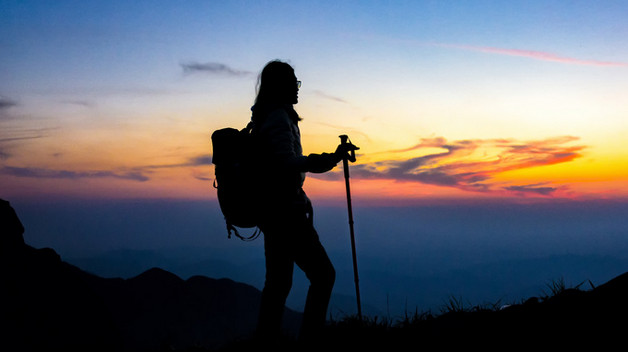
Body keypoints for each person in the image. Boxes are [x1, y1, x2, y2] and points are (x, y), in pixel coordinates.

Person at [250, 60, 357, 342]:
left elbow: (279, 167)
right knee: (323, 275)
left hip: (273, 211)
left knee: (278, 284)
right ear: (280, 86)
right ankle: (310, 341)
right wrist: (329, 159)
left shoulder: (269, 116)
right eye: (293, 83)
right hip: (285, 213)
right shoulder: (277, 119)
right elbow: (286, 164)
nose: (298, 89)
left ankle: (265, 342)